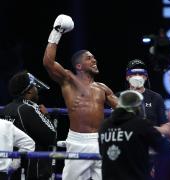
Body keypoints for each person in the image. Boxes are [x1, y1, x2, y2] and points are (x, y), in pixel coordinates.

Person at [43, 14, 118, 180]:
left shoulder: (102, 88)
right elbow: (48, 63)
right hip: (77, 142)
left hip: (100, 141)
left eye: (93, 57)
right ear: (79, 65)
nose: (94, 60)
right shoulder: (69, 80)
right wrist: (57, 32)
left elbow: (123, 110)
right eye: (89, 58)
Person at [98, 90, 170, 180]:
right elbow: (166, 148)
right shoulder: (140, 124)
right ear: (138, 107)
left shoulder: (104, 125)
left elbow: (102, 152)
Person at [2, 71, 56, 180]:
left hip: (12, 169)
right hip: (32, 170)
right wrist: (46, 116)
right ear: (30, 91)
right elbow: (51, 137)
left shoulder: (6, 109)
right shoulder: (29, 109)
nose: (37, 90)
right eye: (35, 87)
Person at [116, 59, 168, 126]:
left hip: (149, 135)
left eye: (140, 74)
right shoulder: (119, 96)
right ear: (127, 77)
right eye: (134, 74)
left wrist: (147, 130)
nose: (137, 76)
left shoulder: (156, 97)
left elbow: (165, 126)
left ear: (146, 77)